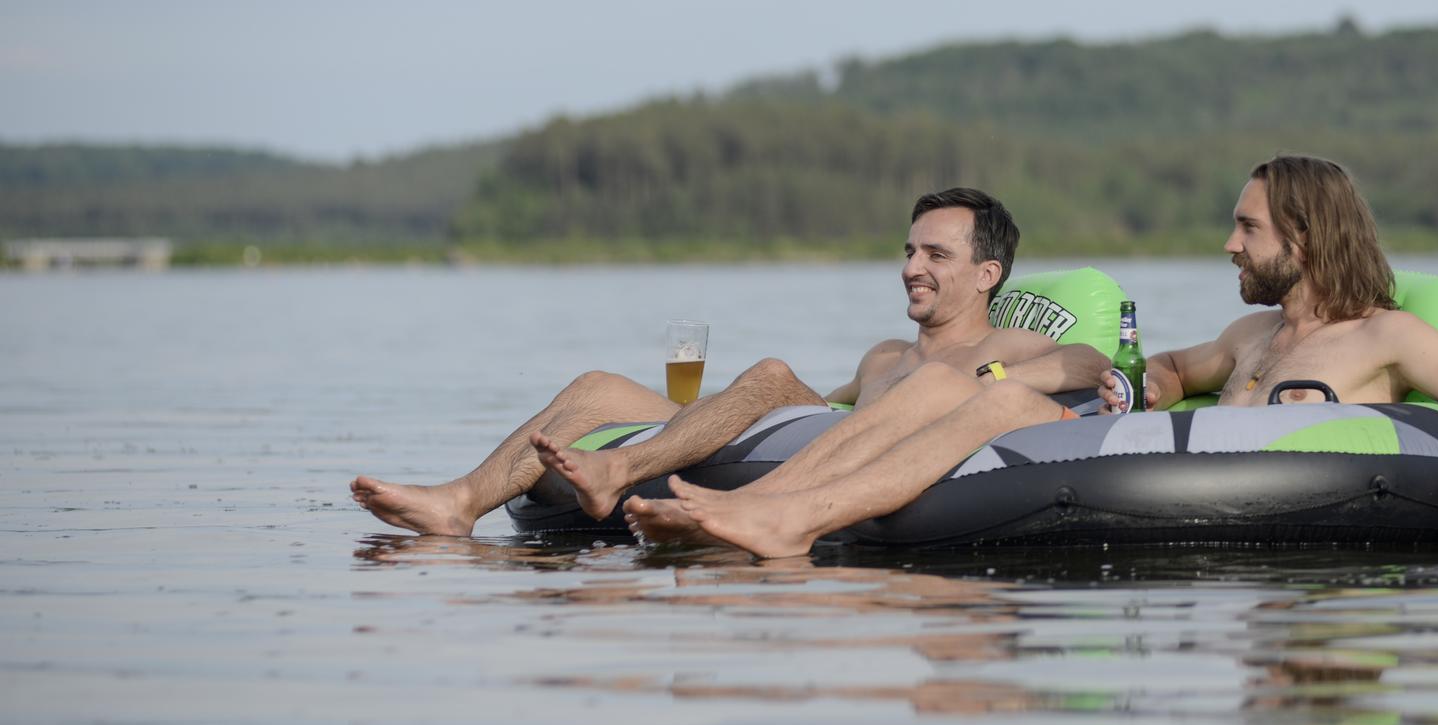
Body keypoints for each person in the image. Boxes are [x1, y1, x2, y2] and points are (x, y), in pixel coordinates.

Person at [630, 155, 1438, 563]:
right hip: (1146, 471)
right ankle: (765, 512)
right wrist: (1130, 384)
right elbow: (1168, 375)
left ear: (1300, 235)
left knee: (978, 398)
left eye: (1246, 228)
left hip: (1280, 509)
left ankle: (784, 521)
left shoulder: (1386, 334)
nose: (1229, 245)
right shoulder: (1252, 340)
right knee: (952, 390)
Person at [350, 188, 1109, 536]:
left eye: (935, 254)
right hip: (828, 432)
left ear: (987, 275)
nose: (912, 266)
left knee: (773, 373)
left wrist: (1000, 377)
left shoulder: (1003, 347)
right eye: (909, 250)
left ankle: (621, 472)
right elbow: (821, 409)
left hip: (883, 455)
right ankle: (459, 502)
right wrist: (730, 409)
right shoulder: (885, 354)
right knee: (596, 388)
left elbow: (1082, 361)